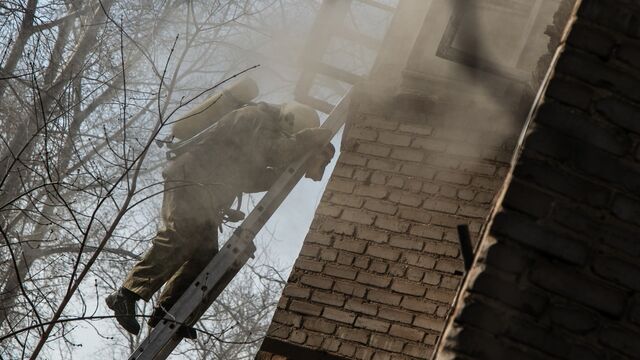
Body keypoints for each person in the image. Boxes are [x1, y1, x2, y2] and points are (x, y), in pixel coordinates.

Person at [106, 101, 334, 336]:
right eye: (291, 135)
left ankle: (167, 311)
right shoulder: (256, 117)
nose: (289, 138)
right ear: (289, 120)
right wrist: (307, 140)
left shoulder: (263, 132)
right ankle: (127, 294)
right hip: (190, 180)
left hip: (206, 193)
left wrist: (281, 174)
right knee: (177, 236)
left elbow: (249, 177)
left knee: (204, 256)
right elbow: (274, 152)